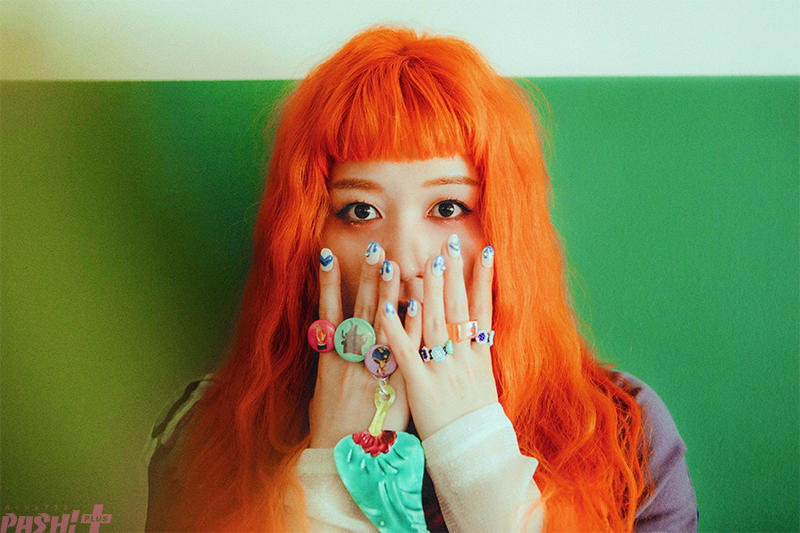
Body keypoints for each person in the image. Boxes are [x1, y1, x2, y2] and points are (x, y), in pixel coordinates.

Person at [145, 26, 697, 532]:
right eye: (360, 211)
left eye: (448, 208)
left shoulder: (624, 434)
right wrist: (332, 478)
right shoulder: (209, 438)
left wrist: (475, 453)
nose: (404, 257)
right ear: (308, 238)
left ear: (504, 228)